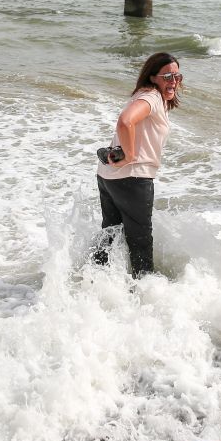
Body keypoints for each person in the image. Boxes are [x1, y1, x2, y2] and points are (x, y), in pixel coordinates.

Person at [94, 52, 182, 278]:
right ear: (153, 77)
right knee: (140, 240)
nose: (173, 82)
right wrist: (130, 155)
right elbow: (125, 121)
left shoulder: (148, 95)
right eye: (168, 76)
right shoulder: (151, 97)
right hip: (132, 178)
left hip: (109, 176)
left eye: (177, 76)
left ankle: (93, 284)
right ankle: (145, 294)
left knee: (110, 235)